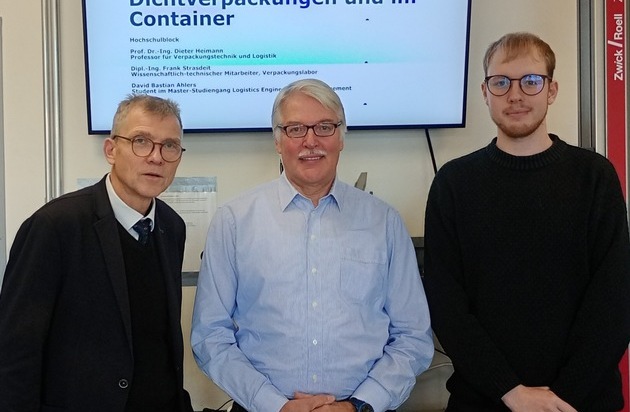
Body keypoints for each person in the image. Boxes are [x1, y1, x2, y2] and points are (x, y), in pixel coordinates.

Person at [191, 78, 433, 412]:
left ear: (341, 137)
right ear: (278, 141)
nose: (310, 141)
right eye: (295, 129)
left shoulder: (385, 222)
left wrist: (359, 405)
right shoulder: (233, 222)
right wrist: (275, 405)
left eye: (324, 127)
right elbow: (210, 337)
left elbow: (413, 336)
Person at [423, 32, 630, 411]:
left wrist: (561, 398)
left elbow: (614, 300)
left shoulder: (594, 177)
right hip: (484, 401)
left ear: (551, 90)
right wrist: (511, 391)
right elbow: (446, 305)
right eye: (501, 82)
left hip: (581, 402)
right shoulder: (453, 184)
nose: (515, 95)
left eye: (531, 81)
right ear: (485, 92)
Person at [0, 94, 194, 412]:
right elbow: (15, 352)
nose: (156, 157)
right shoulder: (55, 226)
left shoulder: (171, 227)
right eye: (141, 141)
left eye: (169, 146)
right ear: (111, 150)